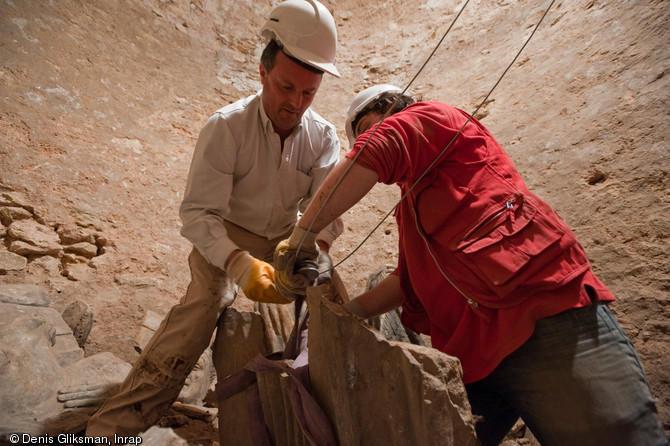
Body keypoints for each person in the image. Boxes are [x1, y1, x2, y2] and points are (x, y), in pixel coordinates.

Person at [274, 85, 668, 446]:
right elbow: (408, 281)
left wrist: (302, 237)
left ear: (392, 107)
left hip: (537, 318)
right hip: (474, 360)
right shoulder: (413, 205)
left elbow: (383, 144)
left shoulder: (431, 118)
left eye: (365, 130)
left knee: (617, 437)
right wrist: (352, 311)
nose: (365, 140)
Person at [86, 0, 343, 438]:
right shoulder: (226, 128)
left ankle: (327, 423)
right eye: (285, 87)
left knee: (329, 301)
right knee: (204, 307)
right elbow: (198, 214)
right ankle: (114, 426)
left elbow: (326, 212)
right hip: (225, 232)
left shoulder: (323, 137)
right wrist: (238, 263)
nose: (294, 103)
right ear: (262, 73)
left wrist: (311, 248)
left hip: (287, 236)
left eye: (307, 93)